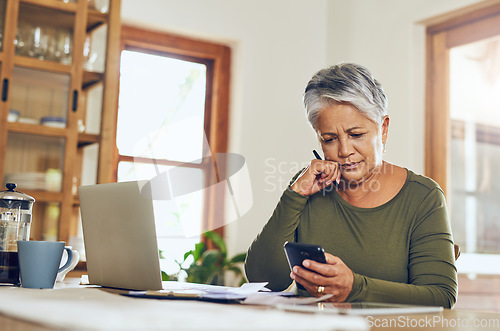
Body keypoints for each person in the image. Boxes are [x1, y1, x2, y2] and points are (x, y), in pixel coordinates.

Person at [244, 63, 457, 308]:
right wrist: (295, 194)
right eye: (330, 139)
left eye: (356, 135)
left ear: (383, 129)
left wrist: (355, 288)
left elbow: (441, 297)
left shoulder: (423, 196)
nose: (344, 151)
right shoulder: (308, 188)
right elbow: (263, 280)